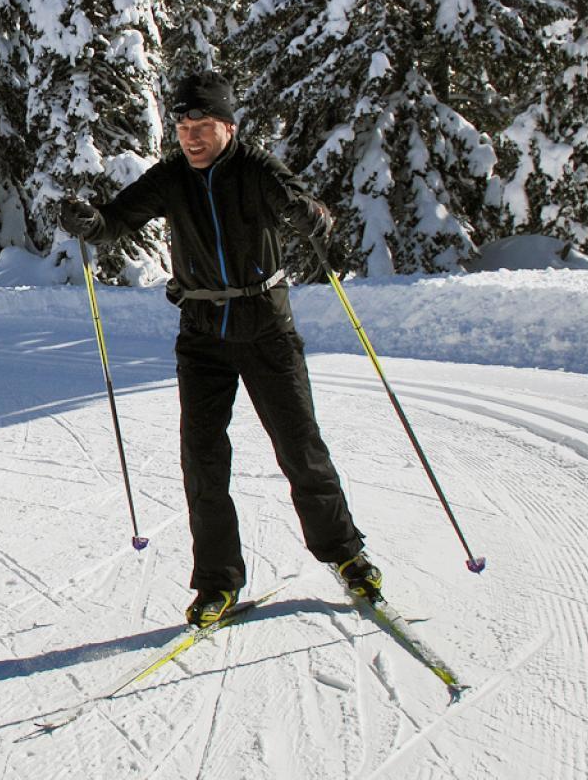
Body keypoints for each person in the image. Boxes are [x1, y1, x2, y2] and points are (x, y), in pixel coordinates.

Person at [58, 70, 381, 627]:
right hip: (202, 332)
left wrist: (312, 218)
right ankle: (216, 583)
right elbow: (115, 222)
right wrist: (90, 221)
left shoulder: (256, 170)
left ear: (228, 126)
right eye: (183, 127)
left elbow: (314, 212)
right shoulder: (172, 178)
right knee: (203, 462)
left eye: (202, 126)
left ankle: (346, 554)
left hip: (265, 327)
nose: (191, 137)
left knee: (300, 448)